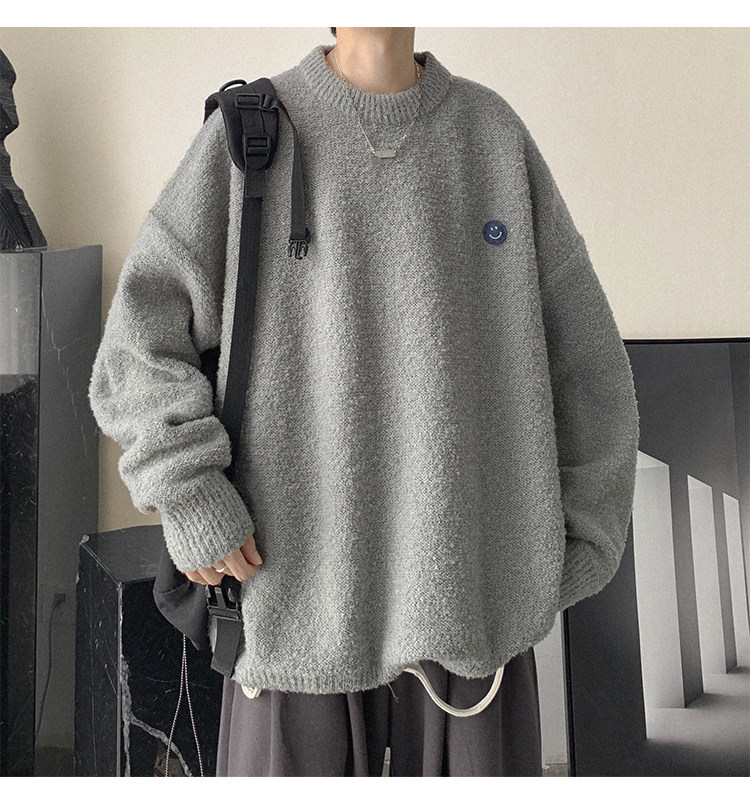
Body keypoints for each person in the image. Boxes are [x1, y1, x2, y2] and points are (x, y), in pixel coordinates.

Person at [88, 26, 640, 776]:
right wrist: (189, 493)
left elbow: (590, 368)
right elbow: (136, 345)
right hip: (290, 602)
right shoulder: (252, 133)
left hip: (471, 615)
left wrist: (560, 554)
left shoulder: (493, 137)